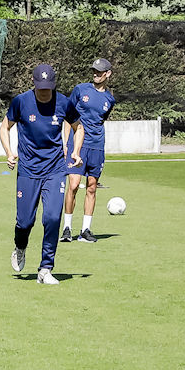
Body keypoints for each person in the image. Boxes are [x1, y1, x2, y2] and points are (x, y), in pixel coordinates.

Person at [0, 63, 82, 285]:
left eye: (48, 87)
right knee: (25, 222)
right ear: (34, 84)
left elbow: (78, 127)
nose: (45, 92)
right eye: (41, 87)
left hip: (55, 169)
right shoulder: (20, 102)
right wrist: (9, 152)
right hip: (28, 169)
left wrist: (75, 151)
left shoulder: (65, 102)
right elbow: (4, 127)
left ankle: (45, 269)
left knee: (53, 218)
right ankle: (20, 246)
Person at [61, 58, 117, 243]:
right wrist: (66, 143)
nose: (96, 74)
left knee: (92, 187)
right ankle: (67, 228)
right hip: (77, 144)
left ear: (108, 74)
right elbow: (68, 117)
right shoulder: (80, 90)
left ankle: (85, 230)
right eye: (94, 71)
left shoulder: (110, 99)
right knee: (74, 185)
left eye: (99, 72)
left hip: (97, 146)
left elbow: (101, 120)